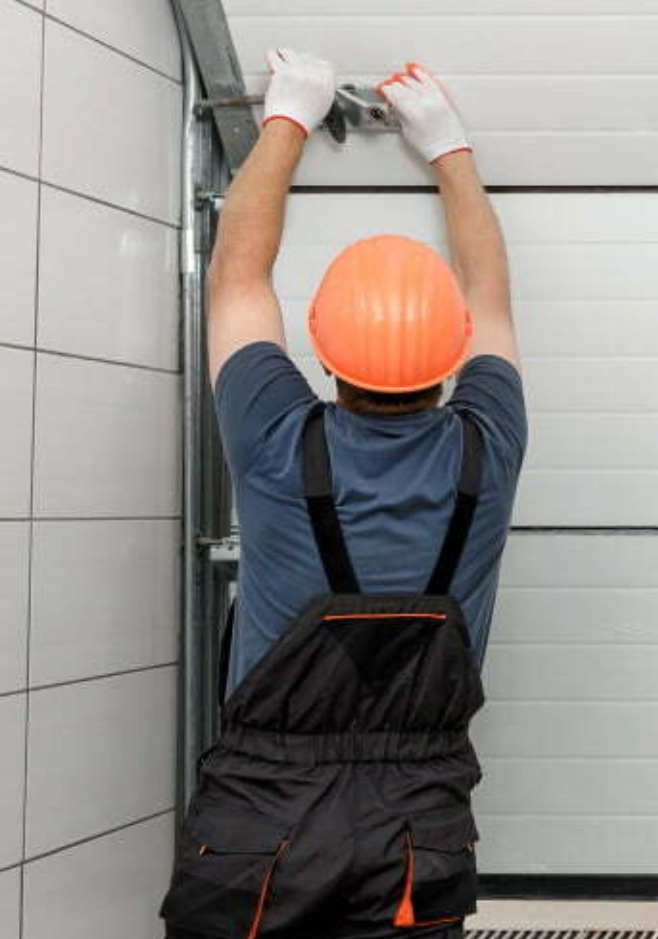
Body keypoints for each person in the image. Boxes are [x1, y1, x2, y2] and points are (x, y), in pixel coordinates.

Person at [160, 50, 525, 939]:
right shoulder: (490, 445)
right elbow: (492, 295)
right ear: (456, 356)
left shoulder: (279, 438)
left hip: (264, 812)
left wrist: (288, 117)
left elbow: (238, 277)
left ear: (324, 354)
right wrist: (449, 146)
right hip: (417, 821)